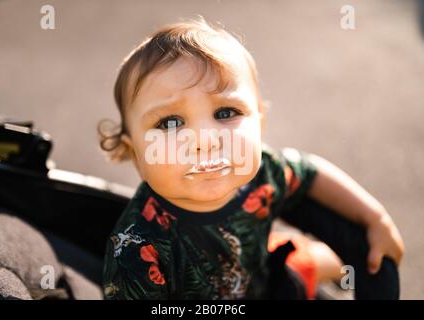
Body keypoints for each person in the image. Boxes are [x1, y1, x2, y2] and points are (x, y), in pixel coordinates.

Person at [98, 18, 404, 299]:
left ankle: (326, 261)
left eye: (226, 113)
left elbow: (310, 174)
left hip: (267, 282)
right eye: (170, 123)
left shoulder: (264, 172)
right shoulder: (137, 250)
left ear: (260, 122)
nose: (205, 139)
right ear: (134, 151)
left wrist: (374, 218)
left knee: (299, 267)